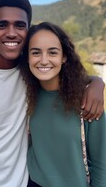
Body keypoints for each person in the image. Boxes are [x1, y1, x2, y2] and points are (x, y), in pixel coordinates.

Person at [0, 0, 105, 187]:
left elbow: (61, 74)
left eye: (19, 25)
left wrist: (97, 82)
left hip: (22, 182)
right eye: (2, 25)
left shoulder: (32, 72)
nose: (11, 32)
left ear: (27, 31)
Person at [20, 22, 106, 187]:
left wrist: (97, 81)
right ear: (28, 57)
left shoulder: (88, 100)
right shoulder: (26, 95)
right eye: (36, 52)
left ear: (64, 57)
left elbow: (101, 165)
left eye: (52, 52)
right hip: (32, 182)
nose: (44, 60)